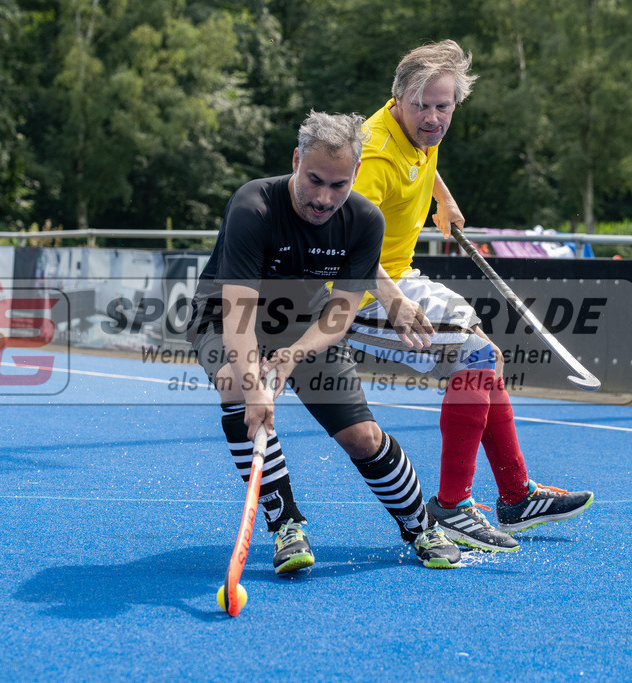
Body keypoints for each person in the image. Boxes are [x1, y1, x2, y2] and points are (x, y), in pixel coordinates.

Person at [186, 110, 462, 572]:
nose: (323, 198)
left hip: (307, 319)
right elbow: (237, 314)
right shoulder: (252, 206)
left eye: (338, 185)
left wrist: (292, 356)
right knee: (237, 385)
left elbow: (340, 315)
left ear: (356, 173)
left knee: (361, 436)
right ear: (296, 160)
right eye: (314, 180)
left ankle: (420, 524)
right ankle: (286, 524)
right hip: (224, 314)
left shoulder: (363, 220)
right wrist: (256, 388)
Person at [348, 40, 593, 553]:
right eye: (423, 106)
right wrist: (393, 300)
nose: (434, 117)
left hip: (396, 273)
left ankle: (514, 495)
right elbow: (341, 244)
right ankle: (453, 506)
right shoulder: (372, 152)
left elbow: (421, 158)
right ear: (398, 101)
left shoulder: (416, 130)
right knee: (477, 357)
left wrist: (443, 197)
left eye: (445, 106)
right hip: (353, 291)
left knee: (487, 358)